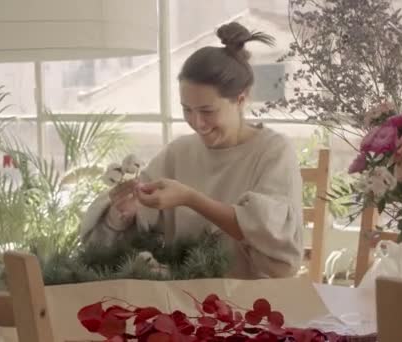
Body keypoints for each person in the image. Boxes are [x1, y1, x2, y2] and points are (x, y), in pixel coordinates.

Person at [80, 22, 304, 279]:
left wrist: (190, 198)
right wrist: (122, 213)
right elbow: (109, 248)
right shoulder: (179, 152)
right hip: (183, 305)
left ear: (240, 100)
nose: (197, 123)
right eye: (187, 109)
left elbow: (280, 253)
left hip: (253, 307)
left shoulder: (273, 152)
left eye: (208, 111)